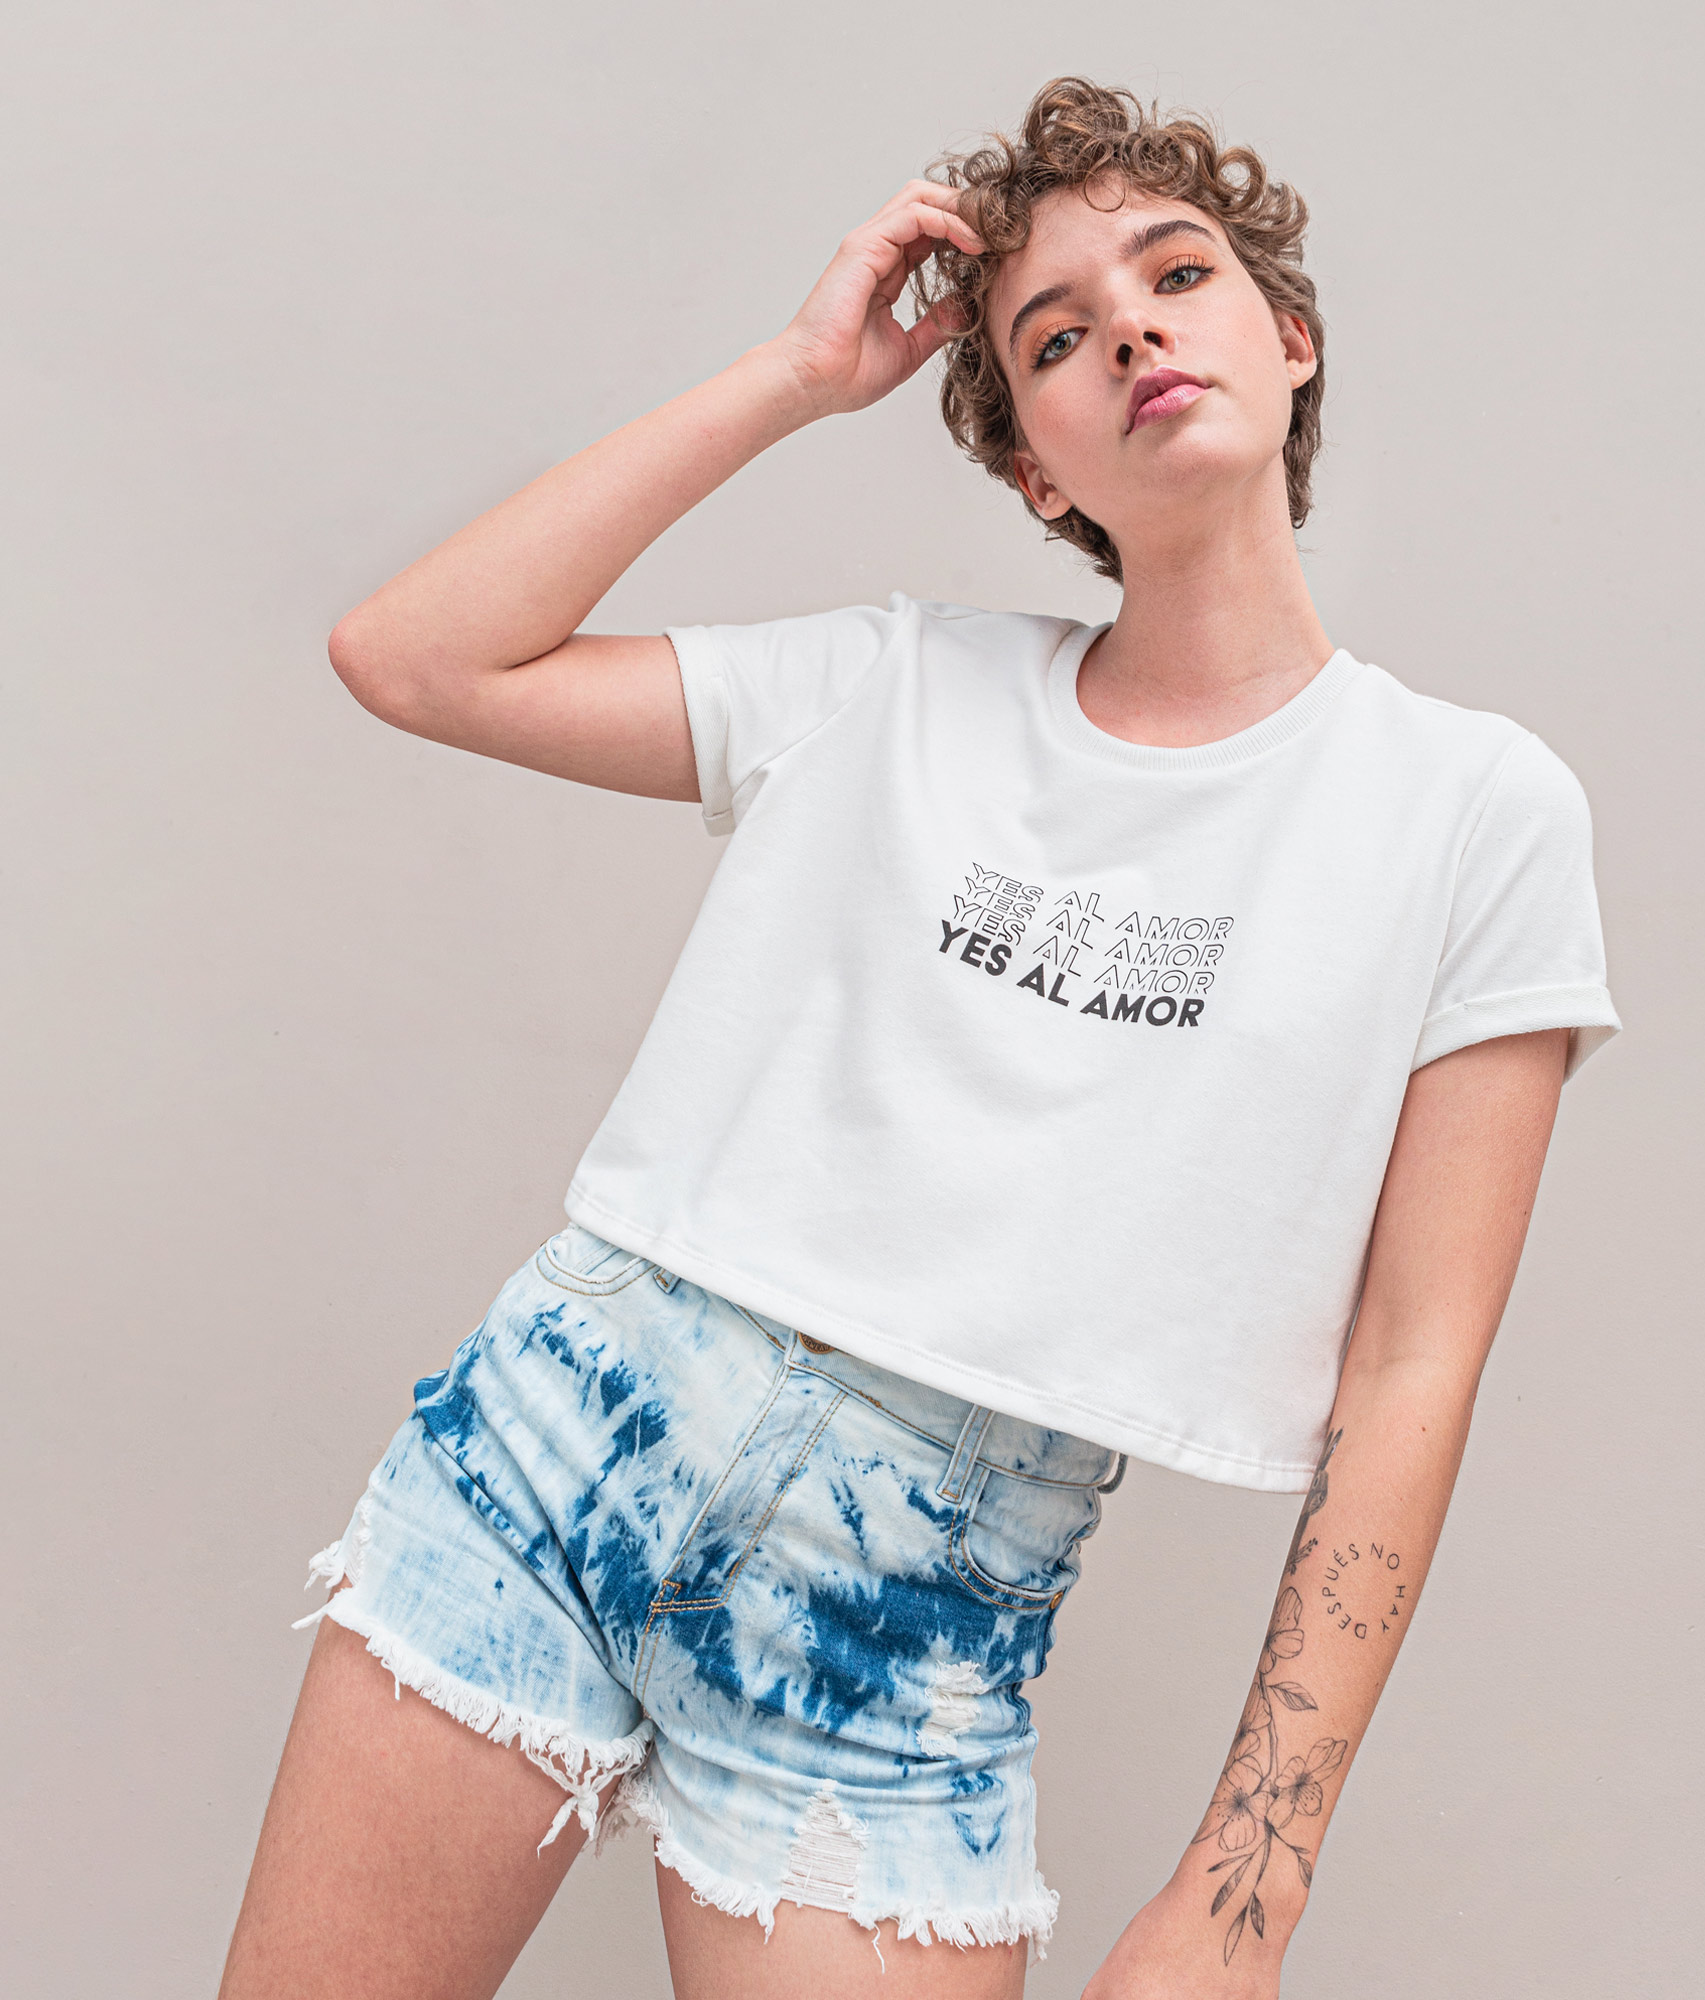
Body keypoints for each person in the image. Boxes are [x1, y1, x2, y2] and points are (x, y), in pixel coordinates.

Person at [220, 76, 1619, 2000]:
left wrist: (1247, 1895)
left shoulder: (1472, 811)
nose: (1129, 332)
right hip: (562, 1444)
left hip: (903, 1626)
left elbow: (1414, 1367)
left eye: (1178, 276)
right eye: (1053, 335)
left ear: (1290, 340)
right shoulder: (890, 684)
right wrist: (799, 377)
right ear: (1039, 472)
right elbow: (415, 655)